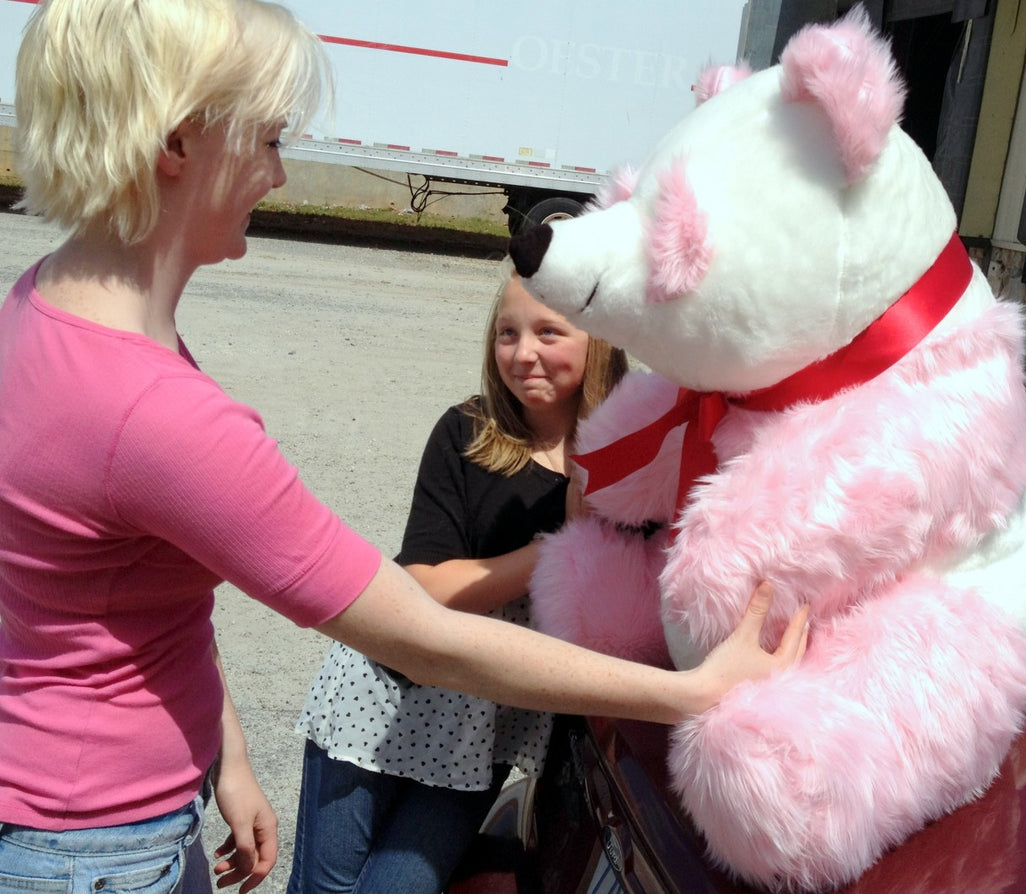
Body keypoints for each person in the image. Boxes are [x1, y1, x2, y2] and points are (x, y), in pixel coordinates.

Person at [0, 1, 810, 892]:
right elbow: (424, 636)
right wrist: (693, 691)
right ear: (177, 141)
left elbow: (135, 604)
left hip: (82, 815)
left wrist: (226, 754)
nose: (278, 172)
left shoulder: (46, 307)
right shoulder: (158, 413)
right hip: (98, 848)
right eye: (267, 138)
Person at [287, 263, 629, 894]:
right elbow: (426, 587)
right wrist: (558, 545)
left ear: (599, 339)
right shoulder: (469, 433)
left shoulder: (630, 464)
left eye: (548, 332)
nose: (522, 354)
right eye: (507, 333)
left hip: (482, 732)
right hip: (383, 700)